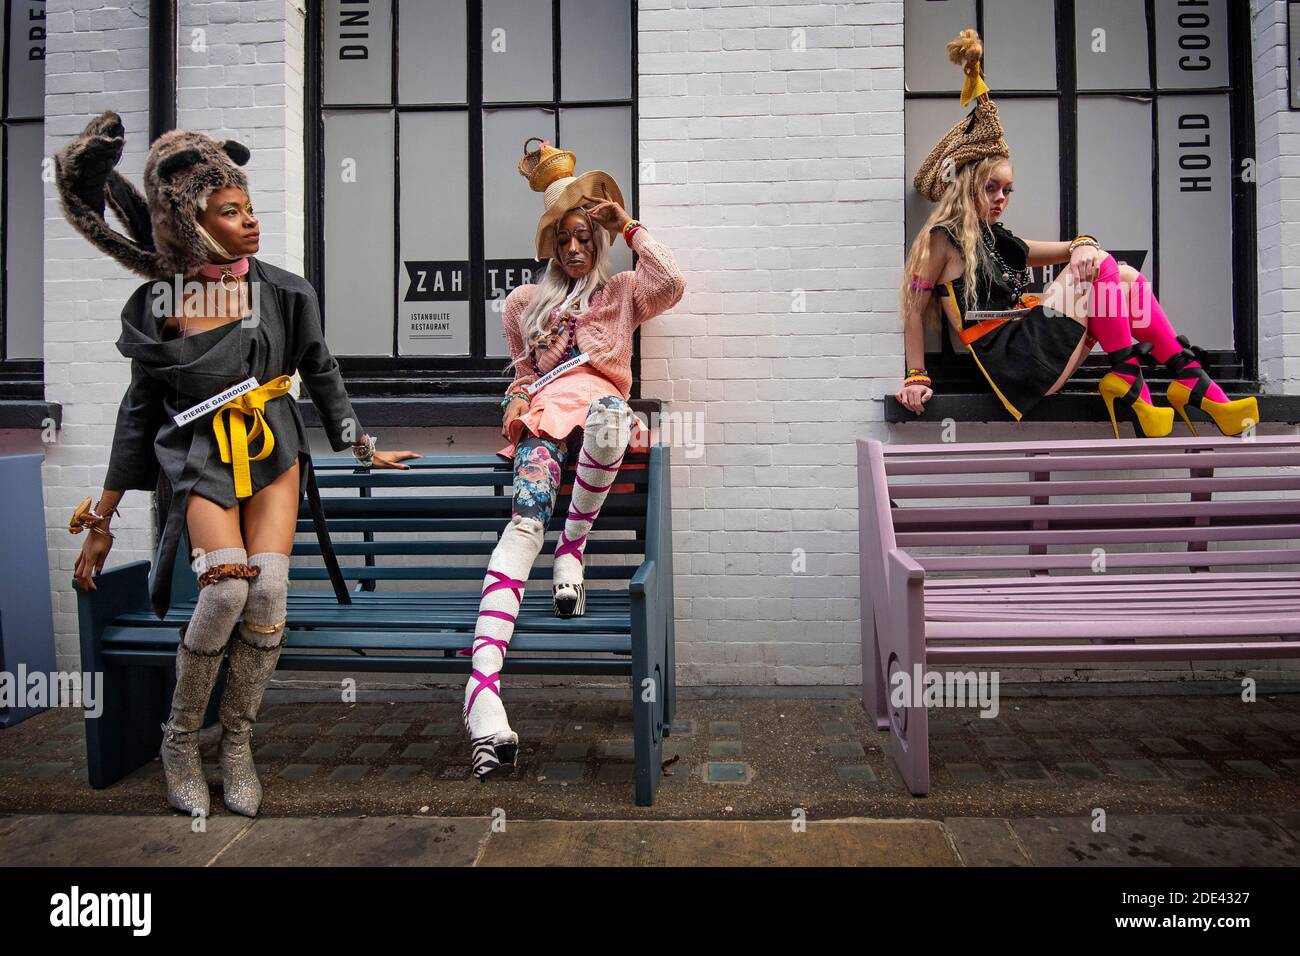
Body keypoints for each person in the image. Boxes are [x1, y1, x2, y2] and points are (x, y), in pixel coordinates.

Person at [56, 112, 418, 817]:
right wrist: (103, 515)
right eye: (230, 211)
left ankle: (239, 744)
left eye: (250, 207)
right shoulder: (162, 304)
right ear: (189, 222)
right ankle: (180, 740)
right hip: (198, 457)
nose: (251, 222)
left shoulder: (285, 291)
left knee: (268, 593)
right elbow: (139, 412)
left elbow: (322, 373)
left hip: (274, 450)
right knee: (223, 593)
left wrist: (360, 445)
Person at [897, 30, 1259, 438]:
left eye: (1008, 190)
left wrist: (1084, 243)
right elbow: (914, 305)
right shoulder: (941, 239)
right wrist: (916, 375)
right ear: (968, 187)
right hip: (1015, 365)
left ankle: (1183, 375)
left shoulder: (1000, 242)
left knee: (1122, 277)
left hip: (1038, 350)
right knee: (1102, 265)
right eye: (991, 188)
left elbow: (1070, 248)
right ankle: (1131, 376)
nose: (1001, 199)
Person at [462, 138, 686, 779]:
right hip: (541, 424)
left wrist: (629, 223)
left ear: (599, 237)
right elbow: (519, 378)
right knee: (524, 523)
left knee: (614, 421)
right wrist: (510, 403)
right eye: (564, 238)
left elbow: (672, 281)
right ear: (551, 246)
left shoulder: (621, 294)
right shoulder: (524, 306)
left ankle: (574, 551)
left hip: (599, 419)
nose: (575, 247)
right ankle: (482, 699)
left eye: (585, 234)